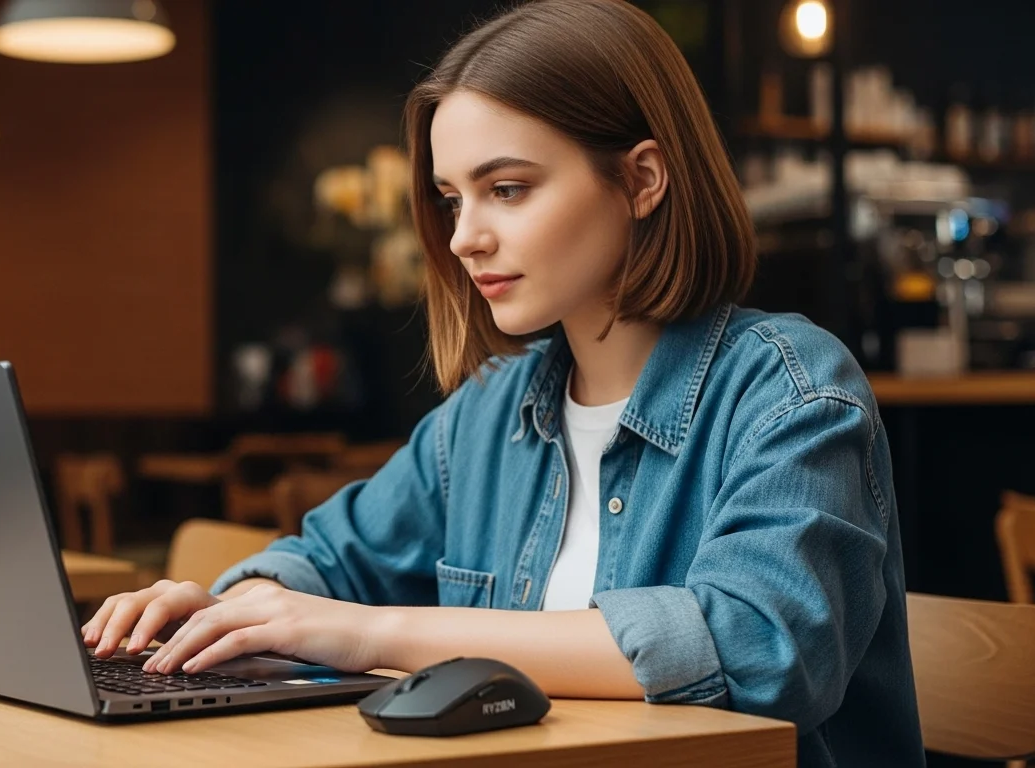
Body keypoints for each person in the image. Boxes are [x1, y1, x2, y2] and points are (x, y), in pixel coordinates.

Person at [81, 1, 924, 764]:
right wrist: (219, 612)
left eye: (507, 190)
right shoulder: (486, 415)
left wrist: (374, 632)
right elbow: (331, 562)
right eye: (452, 200)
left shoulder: (790, 389)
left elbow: (759, 647)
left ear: (641, 179)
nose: (462, 239)